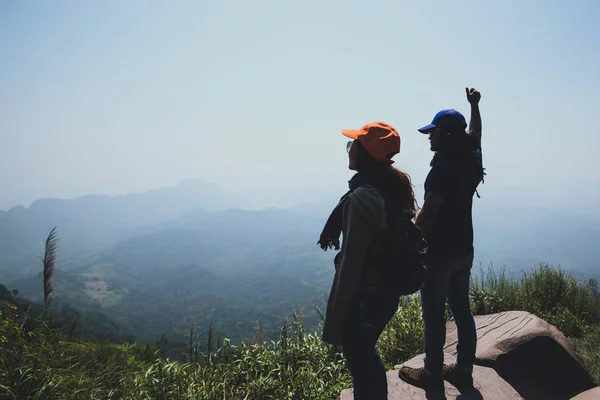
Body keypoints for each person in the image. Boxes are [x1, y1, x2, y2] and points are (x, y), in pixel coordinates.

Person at [318, 121, 419, 400]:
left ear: (365, 153)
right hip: (386, 292)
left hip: (364, 296)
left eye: (353, 145)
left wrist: (339, 309)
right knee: (367, 353)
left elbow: (352, 260)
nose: (349, 150)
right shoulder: (390, 187)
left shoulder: (362, 199)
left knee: (360, 368)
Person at [398, 88, 484, 393]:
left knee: (434, 313)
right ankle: (463, 370)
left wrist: (408, 244)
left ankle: (432, 372)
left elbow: (430, 214)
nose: (429, 138)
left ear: (446, 135)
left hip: (439, 255)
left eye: (433, 133)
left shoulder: (440, 171)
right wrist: (474, 105)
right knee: (462, 309)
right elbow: (476, 132)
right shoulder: (471, 158)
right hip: (465, 250)